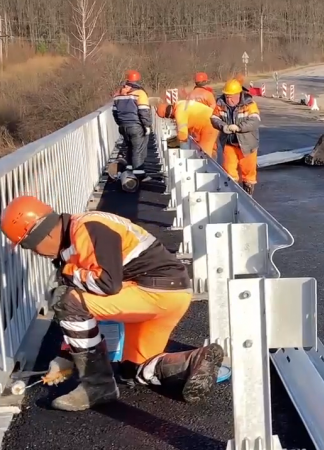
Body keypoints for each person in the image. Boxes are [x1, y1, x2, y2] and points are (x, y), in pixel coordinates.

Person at [0, 196, 224, 411]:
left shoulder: (86, 229)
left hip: (155, 292)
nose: (36, 254)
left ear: (42, 234)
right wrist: (66, 356)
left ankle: (97, 386)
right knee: (133, 370)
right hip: (166, 294)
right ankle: (191, 362)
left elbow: (106, 285)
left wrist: (67, 272)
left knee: (66, 300)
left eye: (28, 247)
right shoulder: (80, 231)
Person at [211, 78, 261, 195]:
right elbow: (214, 118)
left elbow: (255, 121)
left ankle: (248, 194)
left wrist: (238, 128)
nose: (228, 99)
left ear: (239, 94)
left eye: (231, 97)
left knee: (248, 173)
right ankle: (232, 195)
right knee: (228, 170)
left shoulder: (249, 104)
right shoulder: (220, 104)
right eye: (227, 96)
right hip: (229, 143)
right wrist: (223, 127)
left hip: (247, 144)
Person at [112, 70, 152, 180]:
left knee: (130, 148)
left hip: (123, 127)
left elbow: (115, 113)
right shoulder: (140, 93)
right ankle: (139, 176)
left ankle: (129, 171)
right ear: (138, 80)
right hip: (136, 126)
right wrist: (147, 125)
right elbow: (143, 111)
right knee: (137, 151)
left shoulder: (118, 94)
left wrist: (121, 123)